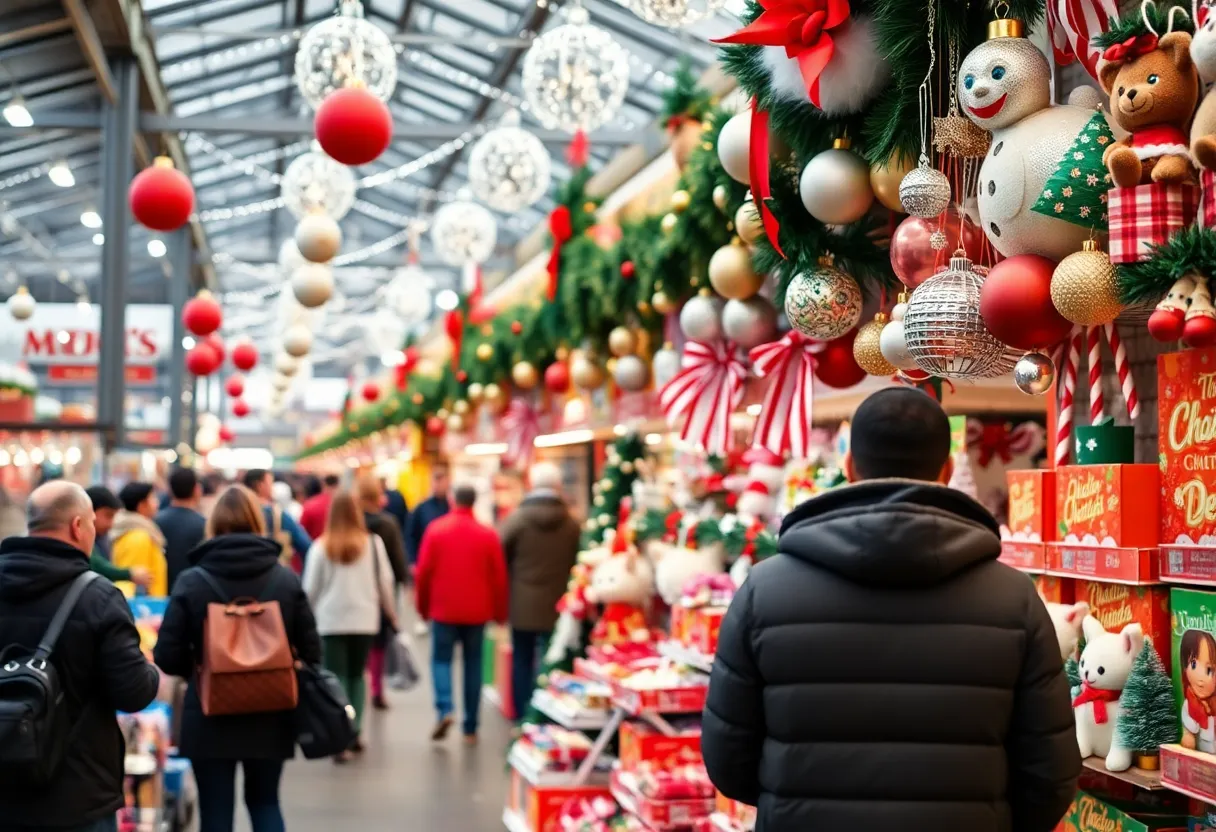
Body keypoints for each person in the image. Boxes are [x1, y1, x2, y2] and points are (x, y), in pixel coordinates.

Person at [701, 388, 1079, 832]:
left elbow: (729, 761)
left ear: (848, 467)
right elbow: (1049, 775)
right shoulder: (1014, 598)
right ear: (946, 470)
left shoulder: (763, 592)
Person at [154, 485, 321, 832]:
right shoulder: (285, 579)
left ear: (213, 524)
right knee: (265, 802)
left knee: (215, 811)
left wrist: (203, 667)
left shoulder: (192, 581)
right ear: (257, 522)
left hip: (209, 712)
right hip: (272, 710)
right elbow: (313, 651)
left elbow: (167, 657)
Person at [0, 481, 160, 831]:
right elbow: (133, 692)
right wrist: (149, 669)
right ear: (77, 526)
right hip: (77, 794)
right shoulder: (98, 597)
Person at [302, 490, 396, 761]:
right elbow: (385, 582)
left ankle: (338, 735)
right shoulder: (373, 544)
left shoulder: (321, 546)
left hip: (331, 621)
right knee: (358, 675)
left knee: (335, 677)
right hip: (364, 620)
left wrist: (304, 619)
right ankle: (354, 731)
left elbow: (310, 589)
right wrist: (391, 613)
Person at [415, 484, 507, 743]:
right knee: (473, 664)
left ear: (453, 500)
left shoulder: (436, 531)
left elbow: (423, 574)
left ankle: (445, 708)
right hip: (477, 611)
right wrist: (500, 613)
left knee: (441, 660)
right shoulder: (487, 535)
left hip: (443, 609)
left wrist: (423, 608)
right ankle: (471, 727)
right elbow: (499, 578)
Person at [499, 461, 580, 722]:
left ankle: (522, 715)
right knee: (553, 657)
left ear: (531, 484)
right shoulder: (571, 523)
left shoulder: (516, 520)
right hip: (559, 604)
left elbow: (499, 554)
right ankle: (548, 711)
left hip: (522, 602)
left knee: (522, 659)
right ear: (558, 485)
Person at [356, 473, 408, 710]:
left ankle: (361, 685)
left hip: (357, 590)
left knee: (359, 644)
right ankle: (377, 688)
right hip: (382, 591)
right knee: (379, 643)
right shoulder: (387, 524)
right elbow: (398, 563)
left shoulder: (352, 523)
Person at [404, 464, 450, 635]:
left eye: (442, 480)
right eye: (436, 480)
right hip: (424, 557)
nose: (439, 485)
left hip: (446, 560)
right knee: (424, 590)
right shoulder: (421, 508)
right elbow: (410, 535)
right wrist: (411, 560)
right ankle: (422, 617)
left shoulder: (451, 506)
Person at [242, 469, 311, 569]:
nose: (272, 488)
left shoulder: (237, 513)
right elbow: (306, 546)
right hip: (274, 573)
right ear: (260, 485)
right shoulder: (279, 515)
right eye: (270, 483)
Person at [111, 481, 169, 597]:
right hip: (145, 610)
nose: (157, 503)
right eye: (153, 498)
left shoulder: (135, 533)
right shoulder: (138, 537)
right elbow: (129, 583)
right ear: (142, 505)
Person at [86, 485, 150, 589]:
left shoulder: (102, 539)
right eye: (108, 515)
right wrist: (128, 574)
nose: (111, 524)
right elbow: (96, 564)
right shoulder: (82, 539)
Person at [156, 468, 206, 593]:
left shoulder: (155, 522)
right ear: (196, 489)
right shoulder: (204, 525)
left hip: (158, 594)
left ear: (170, 490)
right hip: (192, 593)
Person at [298, 473, 340, 540]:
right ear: (338, 485)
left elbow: (301, 533)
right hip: (341, 547)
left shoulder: (310, 505)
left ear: (323, 484)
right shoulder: (346, 506)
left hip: (314, 546)